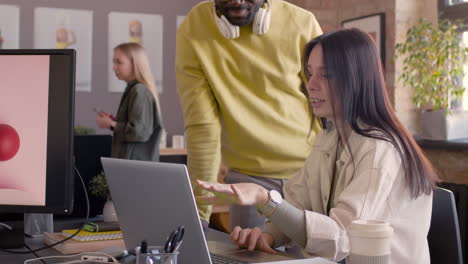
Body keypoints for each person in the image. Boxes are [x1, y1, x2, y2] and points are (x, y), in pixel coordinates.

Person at [196, 28, 438, 264]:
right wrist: (268, 235)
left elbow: (341, 238)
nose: (310, 85)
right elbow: (297, 206)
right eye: (310, 73)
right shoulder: (330, 137)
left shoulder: (379, 150)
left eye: (326, 75)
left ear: (357, 79)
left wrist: (263, 198)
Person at [176, 0, 323, 229]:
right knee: (249, 259)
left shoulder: (303, 23)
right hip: (247, 179)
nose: (237, 1)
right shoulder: (194, 28)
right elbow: (202, 125)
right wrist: (199, 215)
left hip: (309, 173)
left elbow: (328, 106)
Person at [96, 42, 163, 161]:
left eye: (119, 62)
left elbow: (139, 132)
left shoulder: (139, 91)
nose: (114, 67)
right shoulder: (134, 89)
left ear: (135, 64)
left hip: (136, 168)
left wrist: (111, 124)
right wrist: (114, 123)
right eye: (114, 62)